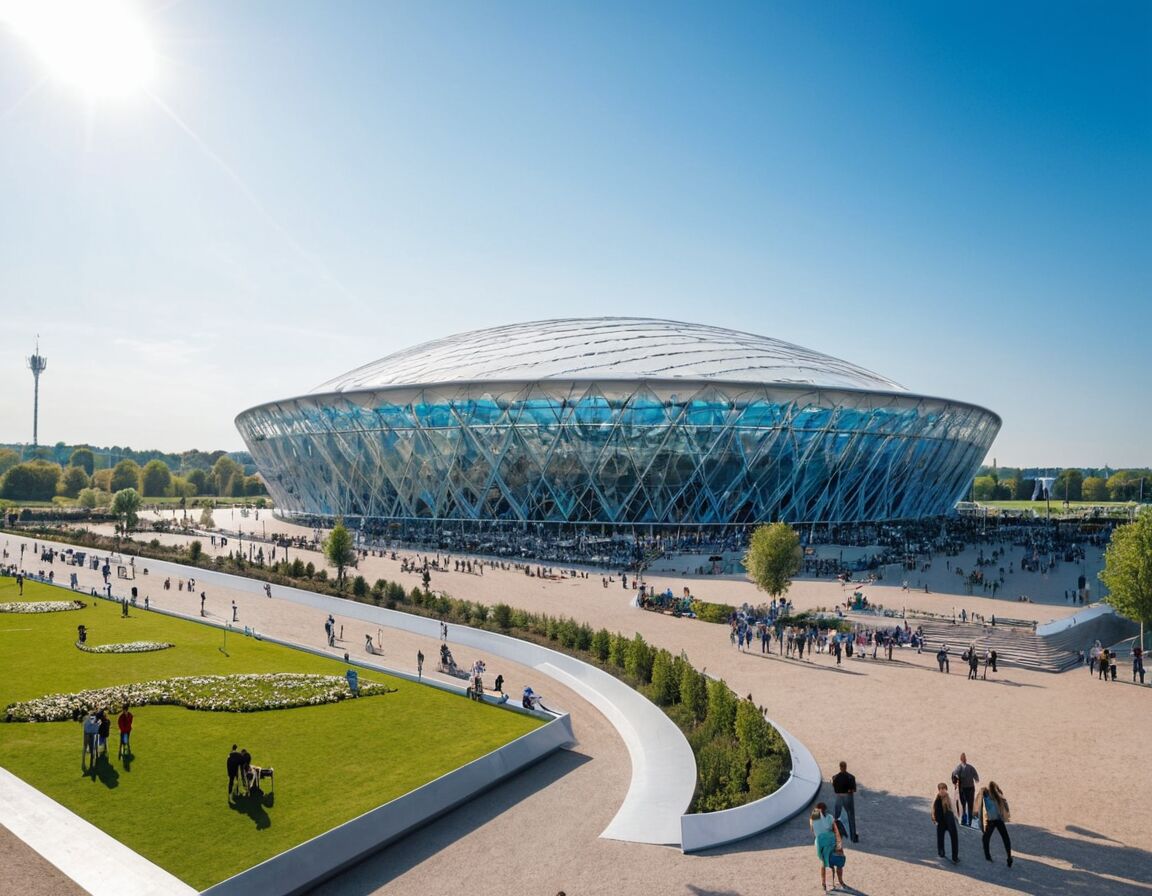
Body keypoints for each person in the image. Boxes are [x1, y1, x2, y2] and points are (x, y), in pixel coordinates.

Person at [810, 802, 845, 892]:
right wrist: (839, 844)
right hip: (830, 841)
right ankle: (839, 882)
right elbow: (836, 830)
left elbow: (812, 829)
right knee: (834, 861)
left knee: (825, 863)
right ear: (825, 809)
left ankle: (825, 883)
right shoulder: (829, 817)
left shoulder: (814, 816)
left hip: (820, 843)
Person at [976, 781, 1013, 866]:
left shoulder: (986, 796)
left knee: (986, 838)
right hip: (999, 820)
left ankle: (988, 856)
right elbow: (1005, 805)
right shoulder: (998, 796)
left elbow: (979, 800)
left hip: (991, 821)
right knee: (1005, 837)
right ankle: (1009, 856)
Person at [831, 760, 859, 842]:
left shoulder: (835, 777)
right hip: (847, 797)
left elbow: (835, 789)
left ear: (840, 767)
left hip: (838, 797)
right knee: (850, 816)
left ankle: (837, 836)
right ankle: (853, 837)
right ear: (846, 767)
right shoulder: (851, 777)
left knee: (837, 817)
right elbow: (853, 790)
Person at [931, 782, 959, 863]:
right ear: (939, 790)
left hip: (949, 821)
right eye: (941, 790)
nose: (943, 791)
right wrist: (934, 819)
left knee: (954, 838)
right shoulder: (936, 799)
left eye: (944, 789)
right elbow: (933, 809)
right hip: (940, 821)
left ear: (946, 790)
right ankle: (941, 852)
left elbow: (953, 809)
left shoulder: (949, 799)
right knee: (940, 838)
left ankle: (955, 857)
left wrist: (956, 818)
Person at [952, 753, 980, 827]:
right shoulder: (960, 767)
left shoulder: (968, 767)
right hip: (964, 788)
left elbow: (975, 774)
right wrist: (955, 782)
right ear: (962, 759)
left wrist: (976, 779)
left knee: (968, 805)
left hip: (969, 788)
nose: (964, 759)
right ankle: (966, 820)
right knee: (964, 805)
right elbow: (954, 774)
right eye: (963, 758)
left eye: (965, 758)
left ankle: (968, 820)